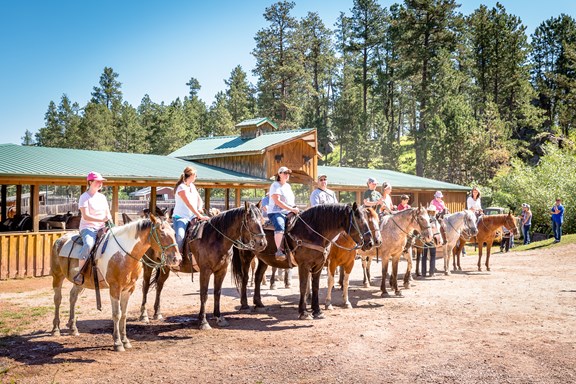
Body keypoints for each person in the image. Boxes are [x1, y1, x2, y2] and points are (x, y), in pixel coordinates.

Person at [73, 171, 113, 285]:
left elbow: (107, 213)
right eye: (97, 181)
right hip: (88, 228)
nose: (100, 183)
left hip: (102, 227)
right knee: (89, 244)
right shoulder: (84, 197)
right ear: (90, 182)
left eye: (101, 182)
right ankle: (80, 273)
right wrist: (102, 220)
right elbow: (86, 216)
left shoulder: (102, 197)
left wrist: (110, 222)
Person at [173, 166, 209, 254]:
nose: (196, 177)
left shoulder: (192, 186)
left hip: (193, 216)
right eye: (195, 175)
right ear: (191, 175)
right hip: (181, 218)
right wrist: (199, 215)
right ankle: (177, 257)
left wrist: (200, 208)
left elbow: (199, 199)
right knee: (180, 237)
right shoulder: (181, 188)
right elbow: (188, 204)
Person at [268, 166, 300, 260]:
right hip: (276, 212)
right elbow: (277, 201)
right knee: (280, 225)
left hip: (289, 211)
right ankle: (279, 250)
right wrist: (291, 209)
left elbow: (290, 201)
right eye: (284, 173)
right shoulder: (275, 185)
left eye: (288, 173)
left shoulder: (288, 186)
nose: (287, 175)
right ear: (279, 174)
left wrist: (294, 208)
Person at [421, 205, 438, 277]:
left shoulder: (424, 219)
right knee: (433, 255)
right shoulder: (434, 219)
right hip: (432, 239)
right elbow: (435, 230)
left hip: (424, 239)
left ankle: (423, 272)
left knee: (424, 256)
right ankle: (431, 272)